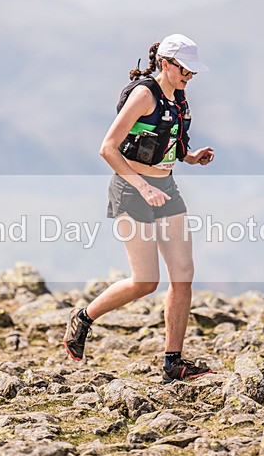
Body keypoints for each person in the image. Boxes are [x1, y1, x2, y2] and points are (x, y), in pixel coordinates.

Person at [63, 34, 215, 383]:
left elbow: (170, 143)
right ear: (166, 64)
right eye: (185, 70)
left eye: (192, 73)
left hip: (166, 189)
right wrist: (142, 185)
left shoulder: (179, 97)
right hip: (131, 193)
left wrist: (191, 157)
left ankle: (173, 363)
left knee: (183, 274)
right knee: (146, 280)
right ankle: (83, 317)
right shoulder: (144, 94)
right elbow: (109, 148)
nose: (188, 77)